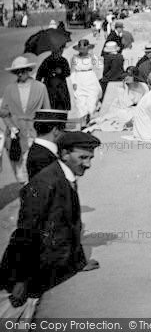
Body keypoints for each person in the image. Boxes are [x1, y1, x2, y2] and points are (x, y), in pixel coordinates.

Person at [0, 131, 102, 307]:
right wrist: (21, 280)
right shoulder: (45, 183)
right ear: (64, 154)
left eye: (90, 158)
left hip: (56, 266)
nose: (88, 164)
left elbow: (70, 225)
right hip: (33, 274)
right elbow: (26, 233)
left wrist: (78, 263)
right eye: (83, 157)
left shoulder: (65, 175)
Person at [1, 56, 51, 183]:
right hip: (15, 134)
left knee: (34, 165)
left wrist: (45, 133)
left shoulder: (40, 87)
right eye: (17, 71)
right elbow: (4, 112)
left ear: (29, 70)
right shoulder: (9, 89)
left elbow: (47, 112)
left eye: (23, 70)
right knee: (19, 170)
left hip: (34, 131)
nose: (20, 73)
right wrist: (11, 126)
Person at [25, 109, 67, 179]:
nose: (64, 134)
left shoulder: (40, 150)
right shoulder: (42, 157)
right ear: (55, 130)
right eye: (63, 131)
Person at [70, 39, 102, 117]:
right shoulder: (75, 57)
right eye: (81, 49)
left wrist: (94, 56)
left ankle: (91, 116)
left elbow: (99, 66)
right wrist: (73, 82)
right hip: (79, 79)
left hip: (90, 78)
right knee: (80, 101)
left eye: (85, 49)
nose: (83, 50)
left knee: (92, 99)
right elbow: (73, 71)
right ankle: (83, 120)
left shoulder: (92, 56)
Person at [36, 45, 71, 111]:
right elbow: (39, 75)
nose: (61, 51)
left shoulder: (63, 60)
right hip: (49, 90)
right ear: (53, 51)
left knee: (62, 108)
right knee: (50, 107)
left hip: (61, 90)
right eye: (59, 50)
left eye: (62, 50)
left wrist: (61, 72)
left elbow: (68, 73)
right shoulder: (47, 61)